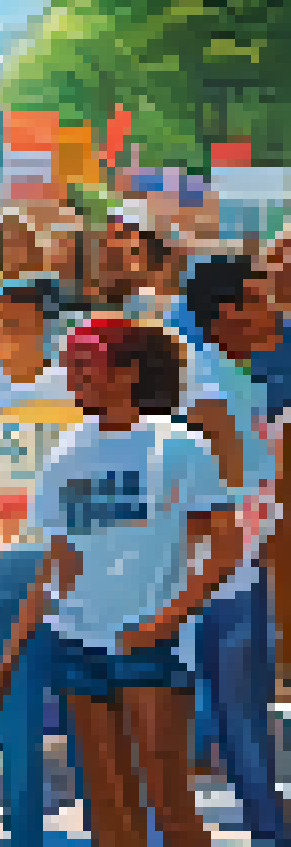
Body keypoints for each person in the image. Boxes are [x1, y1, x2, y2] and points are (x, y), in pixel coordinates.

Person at [0, 317, 237, 847]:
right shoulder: (64, 451)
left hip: (151, 644)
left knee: (170, 805)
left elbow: (225, 548)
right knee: (106, 807)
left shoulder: (179, 445)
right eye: (69, 366)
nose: (73, 377)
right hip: (76, 641)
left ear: (128, 372)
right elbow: (55, 564)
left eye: (85, 365)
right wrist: (7, 658)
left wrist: (163, 622)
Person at [0, 278, 76, 847]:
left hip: (69, 570)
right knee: (15, 711)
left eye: (12, 324)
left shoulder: (75, 395)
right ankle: (23, 830)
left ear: (44, 328)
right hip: (3, 568)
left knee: (86, 710)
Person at [178, 255, 285, 841]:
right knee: (237, 711)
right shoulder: (206, 383)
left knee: (245, 710)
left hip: (241, 567)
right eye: (259, 300)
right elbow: (224, 485)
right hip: (220, 575)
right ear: (226, 314)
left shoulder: (235, 378)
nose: (274, 311)